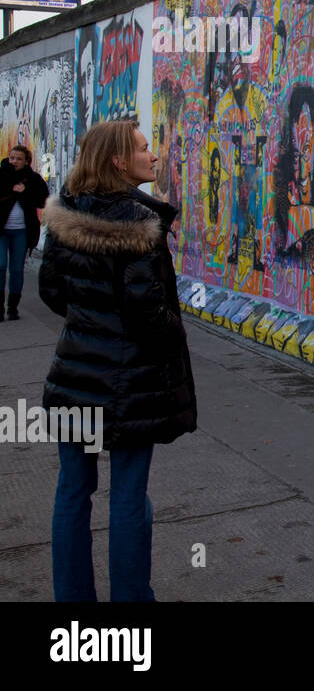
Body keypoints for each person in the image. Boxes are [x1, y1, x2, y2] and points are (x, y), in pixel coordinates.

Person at [40, 120, 197, 601]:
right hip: (131, 384)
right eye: (144, 148)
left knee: (73, 491)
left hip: (75, 375)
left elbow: (51, 291)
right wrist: (174, 334)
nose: (154, 155)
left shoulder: (66, 212)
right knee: (128, 496)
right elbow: (147, 310)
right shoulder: (137, 221)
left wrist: (91, 324)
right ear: (118, 161)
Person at [0, 144, 50, 320]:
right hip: (2, 231)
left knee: (16, 269)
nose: (14, 161)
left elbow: (42, 201)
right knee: (0, 266)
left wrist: (25, 191)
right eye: (12, 158)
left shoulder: (33, 179)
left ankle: (13, 307)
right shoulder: (2, 175)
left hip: (21, 231)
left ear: (26, 161)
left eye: (19, 159)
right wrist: (10, 188)